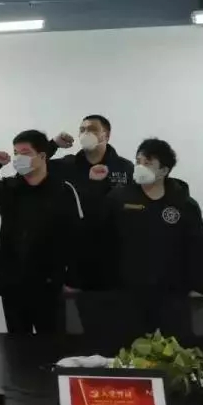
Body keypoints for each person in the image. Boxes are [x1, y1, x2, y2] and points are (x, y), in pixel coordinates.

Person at [0, 130, 84, 335]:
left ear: (42, 156)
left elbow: (75, 237)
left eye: (25, 153)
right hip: (12, 282)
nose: (18, 158)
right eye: (15, 153)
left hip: (48, 283)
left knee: (51, 343)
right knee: (17, 345)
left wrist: (72, 279)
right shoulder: (10, 187)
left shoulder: (63, 191)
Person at [100, 139, 203, 336]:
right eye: (138, 161)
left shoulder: (185, 204)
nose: (140, 167)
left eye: (148, 163)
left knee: (174, 345)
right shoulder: (118, 199)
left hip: (173, 292)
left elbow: (197, 247)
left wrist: (198, 287)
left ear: (164, 170)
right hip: (128, 291)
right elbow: (104, 243)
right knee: (129, 344)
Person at [48, 115, 134, 290]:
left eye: (92, 129)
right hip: (76, 260)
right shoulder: (67, 166)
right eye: (82, 130)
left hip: (115, 259)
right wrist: (53, 145)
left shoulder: (125, 168)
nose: (86, 133)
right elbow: (35, 166)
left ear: (106, 135)